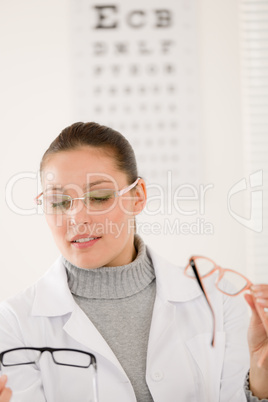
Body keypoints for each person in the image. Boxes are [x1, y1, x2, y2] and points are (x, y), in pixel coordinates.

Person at [0, 121, 267, 402]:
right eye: (58, 202)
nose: (77, 218)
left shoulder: (217, 299)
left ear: (137, 197)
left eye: (99, 196)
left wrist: (262, 382)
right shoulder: (14, 323)